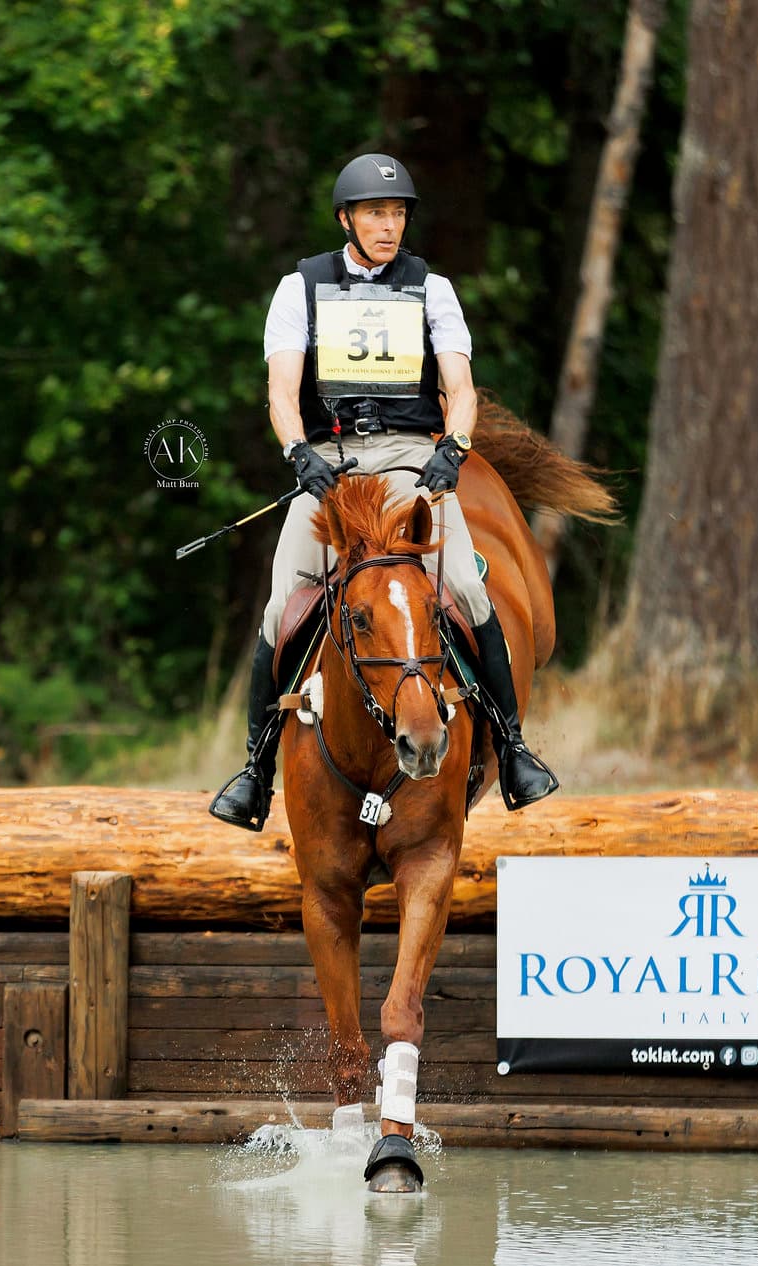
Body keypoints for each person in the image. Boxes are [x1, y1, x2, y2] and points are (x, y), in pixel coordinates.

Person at [208, 152, 559, 831]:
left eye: (397, 214)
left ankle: (513, 749)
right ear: (346, 218)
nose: (388, 225)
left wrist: (451, 451)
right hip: (331, 466)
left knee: (467, 584)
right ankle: (254, 770)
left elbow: (458, 389)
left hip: (407, 460)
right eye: (375, 213)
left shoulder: (434, 289)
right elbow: (283, 391)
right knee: (284, 599)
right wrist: (298, 454)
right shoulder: (300, 287)